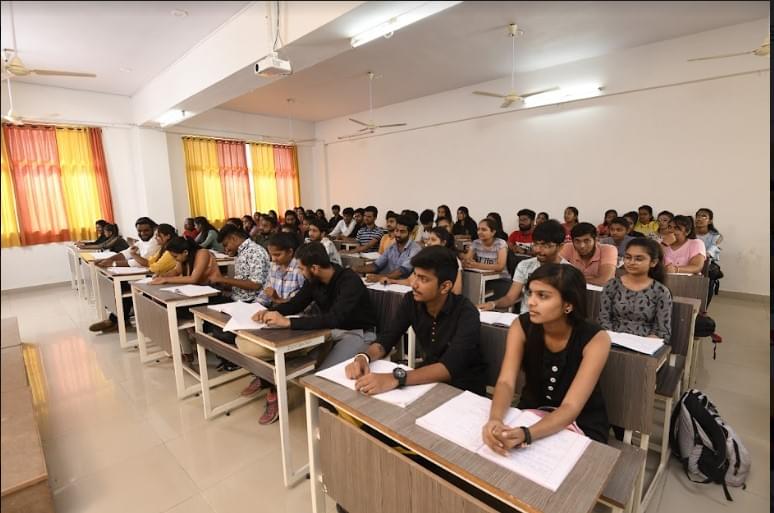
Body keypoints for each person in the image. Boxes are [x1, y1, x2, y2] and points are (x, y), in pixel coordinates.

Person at [482, 263, 611, 448]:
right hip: (531, 411)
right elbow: (505, 382)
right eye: (531, 293)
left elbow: (571, 407)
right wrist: (495, 419)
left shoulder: (596, 339)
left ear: (568, 304)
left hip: (581, 421)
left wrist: (527, 434)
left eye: (543, 296)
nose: (531, 302)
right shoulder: (521, 326)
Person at [345, 246, 486, 395]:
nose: (414, 284)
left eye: (423, 279)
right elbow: (387, 338)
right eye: (415, 275)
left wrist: (396, 378)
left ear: (445, 287)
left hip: (465, 391)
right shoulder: (411, 301)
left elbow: (449, 368)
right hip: (427, 382)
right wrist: (363, 357)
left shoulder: (466, 313)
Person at [252, 242, 378, 370]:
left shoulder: (349, 281)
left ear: (315, 268)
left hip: (357, 332)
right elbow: (295, 304)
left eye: (301, 269)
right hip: (329, 329)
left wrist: (288, 322)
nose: (300, 273)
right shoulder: (314, 280)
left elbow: (335, 318)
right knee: (300, 364)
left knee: (325, 374)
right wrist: (268, 311)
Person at [240, 233, 306, 423]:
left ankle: (272, 388)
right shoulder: (274, 267)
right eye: (272, 255)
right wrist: (256, 308)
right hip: (274, 316)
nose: (273, 259)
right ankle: (263, 376)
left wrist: (278, 301)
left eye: (277, 255)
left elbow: (303, 304)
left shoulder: (300, 270)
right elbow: (265, 293)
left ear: (290, 252)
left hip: (294, 320)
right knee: (241, 337)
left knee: (261, 346)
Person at [478, 219, 569, 313]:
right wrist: (493, 304)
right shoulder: (525, 266)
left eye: (546, 246)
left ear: (560, 246)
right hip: (526, 319)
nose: (538, 250)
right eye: (536, 244)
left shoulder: (568, 272)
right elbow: (510, 298)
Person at [599, 238, 672, 343]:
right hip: (612, 341)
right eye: (628, 257)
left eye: (639, 259)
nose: (631, 262)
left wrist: (643, 344)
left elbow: (662, 331)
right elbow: (603, 320)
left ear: (653, 262)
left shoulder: (661, 292)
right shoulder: (612, 285)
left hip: (644, 346)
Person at [381, 227, 463, 295]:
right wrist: (392, 281)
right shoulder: (425, 258)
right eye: (428, 239)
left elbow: (456, 291)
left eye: (433, 240)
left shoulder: (453, 260)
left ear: (443, 243)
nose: (429, 243)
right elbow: (410, 280)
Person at [208, 224, 270, 302]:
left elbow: (255, 285)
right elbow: (242, 280)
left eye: (226, 245)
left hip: (250, 302)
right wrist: (223, 283)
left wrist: (223, 279)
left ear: (233, 238)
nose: (225, 249)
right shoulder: (242, 252)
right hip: (237, 297)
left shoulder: (255, 251)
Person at [356, 215, 422, 282]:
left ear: (410, 233)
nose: (398, 234)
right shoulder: (392, 247)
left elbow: (401, 272)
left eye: (402, 232)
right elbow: (376, 265)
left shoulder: (415, 249)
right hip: (387, 283)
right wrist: (354, 269)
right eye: (396, 230)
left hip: (402, 286)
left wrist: (379, 277)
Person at [150, 237, 218, 285]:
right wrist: (162, 276)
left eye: (175, 256)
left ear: (185, 252)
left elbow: (193, 279)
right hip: (196, 289)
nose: (175, 259)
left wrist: (166, 279)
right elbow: (176, 271)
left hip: (213, 288)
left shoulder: (202, 253)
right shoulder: (184, 257)